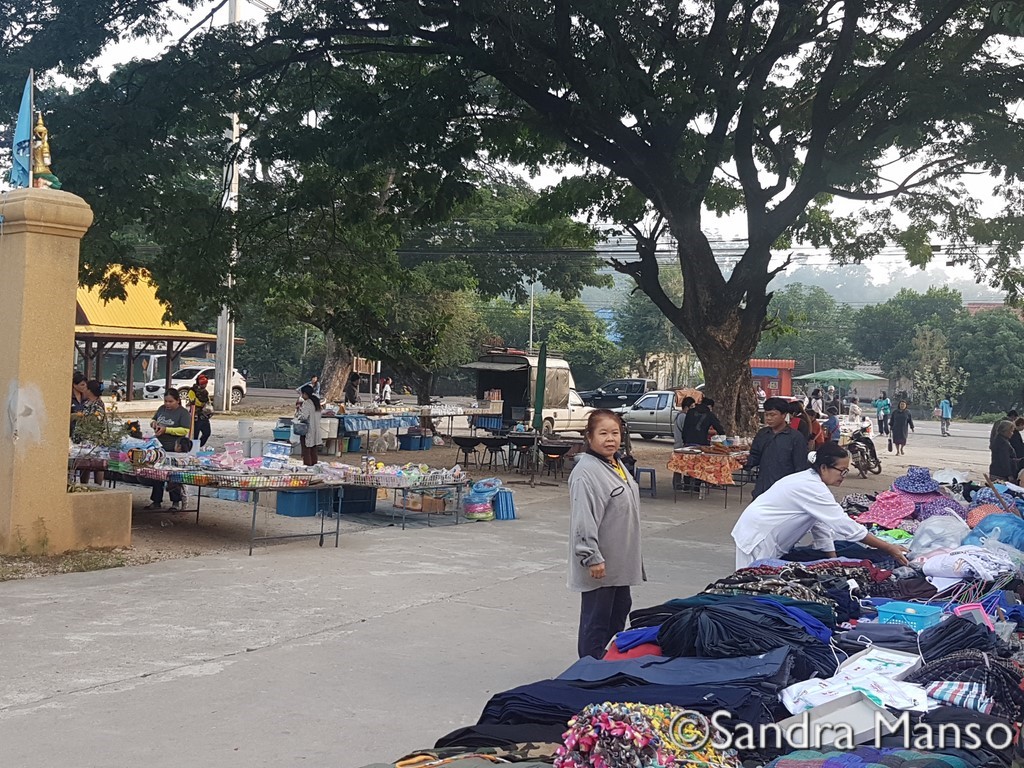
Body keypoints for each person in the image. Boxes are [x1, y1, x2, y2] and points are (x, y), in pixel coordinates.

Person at [732, 443, 910, 569]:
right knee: (751, 583)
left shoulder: (812, 484)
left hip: (761, 534)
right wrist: (888, 547)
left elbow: (821, 525)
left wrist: (834, 560)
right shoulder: (811, 487)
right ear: (824, 467)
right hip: (759, 536)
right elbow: (845, 526)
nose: (844, 476)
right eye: (842, 471)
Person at [568, 410, 645, 659]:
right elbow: (583, 519)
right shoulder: (586, 473)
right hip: (600, 562)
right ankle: (588, 669)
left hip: (619, 560)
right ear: (589, 437)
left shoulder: (616, 463)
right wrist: (592, 556)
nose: (610, 439)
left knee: (618, 614)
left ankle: (605, 661)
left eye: (615, 433)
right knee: (596, 621)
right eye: (603, 433)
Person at [746, 397, 811, 499]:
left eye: (773, 415)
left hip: (785, 490)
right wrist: (745, 461)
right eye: (766, 415)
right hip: (762, 488)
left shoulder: (795, 437)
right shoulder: (762, 434)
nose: (768, 418)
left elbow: (800, 467)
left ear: (784, 415)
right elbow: (755, 456)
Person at [146, 391, 192, 511]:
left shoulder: (183, 413)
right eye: (166, 401)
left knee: (173, 476)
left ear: (177, 400)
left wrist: (167, 430)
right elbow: (153, 419)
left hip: (174, 448)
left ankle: (175, 503)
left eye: (170, 401)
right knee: (157, 474)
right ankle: (156, 501)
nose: (167, 404)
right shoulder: (161, 409)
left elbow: (184, 430)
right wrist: (154, 424)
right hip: (159, 447)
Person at [77, 380, 108, 486]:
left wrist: (81, 417)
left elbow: (96, 420)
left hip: (95, 439)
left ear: (90, 391)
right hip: (84, 439)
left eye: (86, 388)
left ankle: (98, 486)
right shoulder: (87, 403)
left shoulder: (98, 404)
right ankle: (83, 485)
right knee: (84, 464)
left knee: (97, 464)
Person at [671, 396, 696, 491]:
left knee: (678, 465)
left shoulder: (678, 415)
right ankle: (679, 484)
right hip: (681, 444)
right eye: (692, 406)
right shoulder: (684, 417)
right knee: (681, 466)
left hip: (678, 443)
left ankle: (678, 484)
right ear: (687, 407)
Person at [296, 384, 323, 466]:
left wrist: (298, 416)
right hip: (316, 428)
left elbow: (304, 416)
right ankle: (314, 465)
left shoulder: (307, 403)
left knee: (306, 450)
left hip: (308, 429)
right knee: (313, 449)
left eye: (302, 394)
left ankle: (308, 466)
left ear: (305, 394)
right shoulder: (316, 402)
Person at [187, 375, 212, 448]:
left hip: (204, 415)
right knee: (194, 435)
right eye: (202, 384)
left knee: (207, 433)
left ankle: (198, 446)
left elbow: (208, 400)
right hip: (196, 415)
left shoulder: (205, 392)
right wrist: (202, 404)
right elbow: (193, 401)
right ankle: (192, 448)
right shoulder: (192, 390)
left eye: (205, 384)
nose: (204, 385)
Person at [70, 370, 88, 438]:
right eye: (82, 384)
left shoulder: (86, 398)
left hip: (83, 433)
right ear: (74, 385)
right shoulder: (69, 399)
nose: (85, 386)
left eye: (85, 384)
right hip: (71, 432)